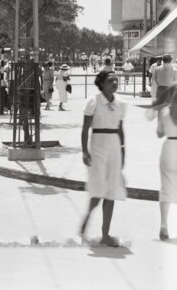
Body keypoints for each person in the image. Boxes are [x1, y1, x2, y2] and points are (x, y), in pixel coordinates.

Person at [79, 71, 127, 247]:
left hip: (114, 146)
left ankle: (105, 234)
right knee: (98, 189)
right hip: (98, 145)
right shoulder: (94, 101)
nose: (114, 82)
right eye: (110, 80)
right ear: (102, 83)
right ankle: (88, 217)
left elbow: (121, 129)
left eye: (116, 79)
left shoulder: (121, 103)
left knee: (112, 190)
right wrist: (85, 151)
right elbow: (85, 129)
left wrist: (123, 151)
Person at [150, 83, 177, 240]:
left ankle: (164, 224)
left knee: (166, 187)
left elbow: (159, 134)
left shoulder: (164, 112)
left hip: (169, 148)